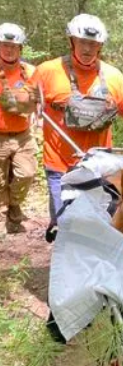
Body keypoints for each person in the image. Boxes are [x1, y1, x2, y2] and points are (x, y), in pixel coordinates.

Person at [27, 13, 123, 224]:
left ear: (100, 46)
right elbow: (27, 101)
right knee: (64, 223)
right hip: (60, 165)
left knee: (100, 222)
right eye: (82, 42)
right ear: (72, 41)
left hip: (100, 166)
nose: (87, 49)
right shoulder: (47, 71)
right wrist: (29, 105)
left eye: (93, 43)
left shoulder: (113, 75)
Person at [0, 23, 37, 240]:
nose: (8, 49)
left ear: (21, 48)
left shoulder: (30, 72)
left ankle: (14, 207)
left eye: (13, 46)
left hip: (23, 135)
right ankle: (9, 214)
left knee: (27, 174)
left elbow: (33, 101)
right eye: (4, 45)